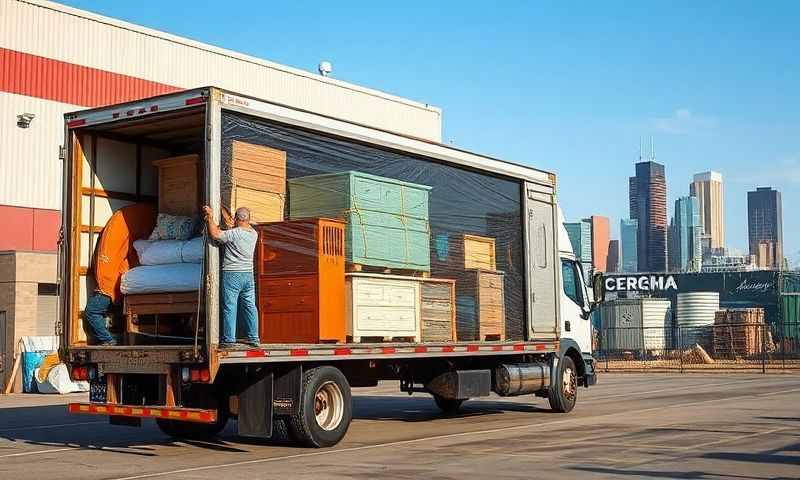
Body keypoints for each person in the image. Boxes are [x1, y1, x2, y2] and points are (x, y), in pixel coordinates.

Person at [84, 203, 157, 345]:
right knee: (111, 314)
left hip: (111, 285)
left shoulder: (126, 235)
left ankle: (110, 340)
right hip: (118, 286)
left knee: (91, 312)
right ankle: (115, 339)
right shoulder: (133, 248)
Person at [203, 205, 260, 348]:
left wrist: (210, 217)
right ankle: (254, 338)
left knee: (230, 306)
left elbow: (215, 235)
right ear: (248, 219)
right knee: (250, 306)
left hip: (232, 274)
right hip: (248, 275)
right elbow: (234, 229)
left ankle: (229, 340)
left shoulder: (235, 233)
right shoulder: (253, 234)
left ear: (236, 219)